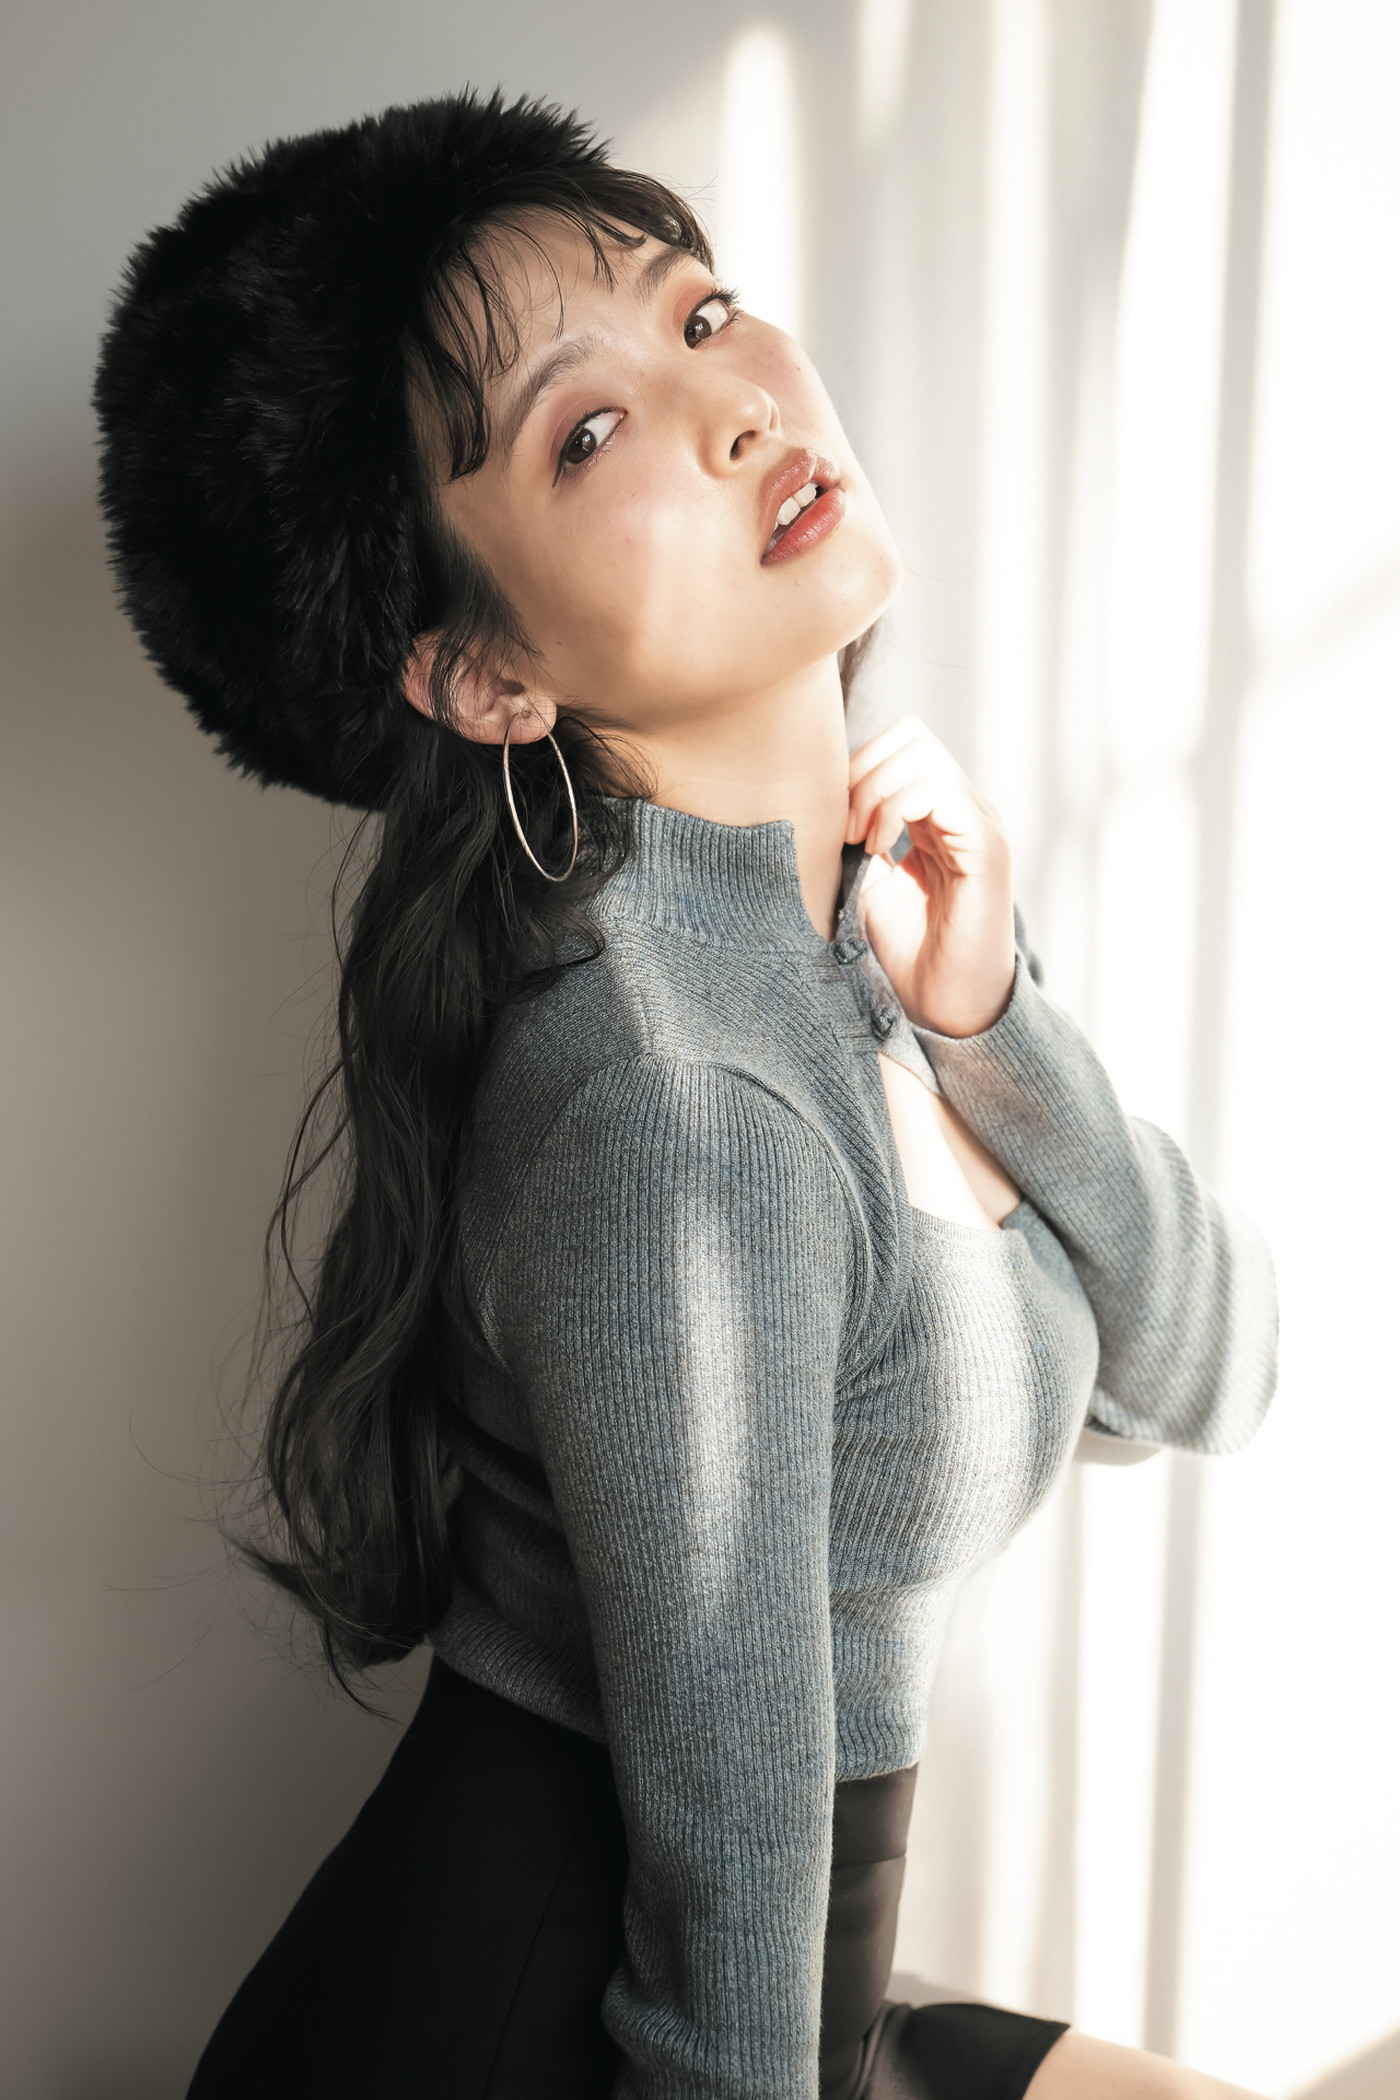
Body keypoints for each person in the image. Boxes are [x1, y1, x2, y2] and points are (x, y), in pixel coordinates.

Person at [93, 88, 1278, 2100]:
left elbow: (1213, 1374)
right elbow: (722, 1913)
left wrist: (996, 1020)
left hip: (780, 2005)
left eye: (701, 312)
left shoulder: (875, 934)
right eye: (586, 430)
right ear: (485, 676)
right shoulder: (673, 1101)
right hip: (568, 2043)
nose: (730, 404)